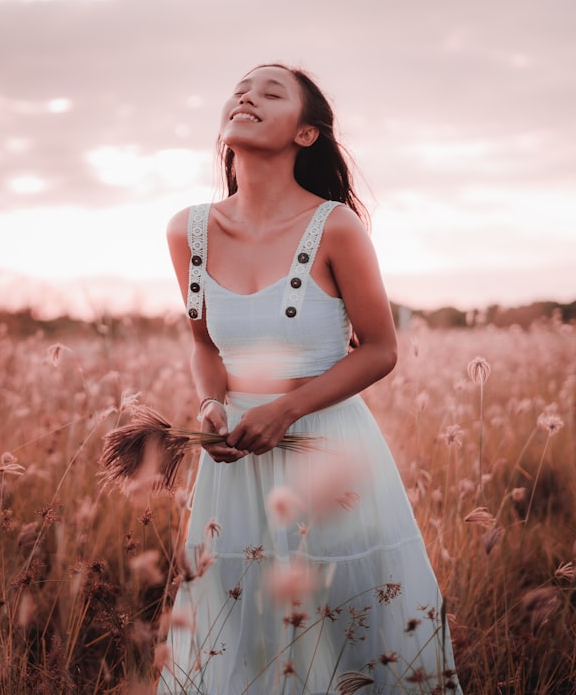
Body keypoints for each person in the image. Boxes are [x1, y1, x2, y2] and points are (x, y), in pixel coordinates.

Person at [156, 64, 461, 694]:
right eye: (240, 89)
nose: (247, 97)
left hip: (327, 453)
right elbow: (202, 342)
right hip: (235, 463)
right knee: (240, 631)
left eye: (271, 93)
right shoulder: (187, 230)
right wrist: (213, 403)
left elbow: (379, 350)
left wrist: (287, 409)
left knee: (340, 628)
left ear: (306, 134)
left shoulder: (337, 228)